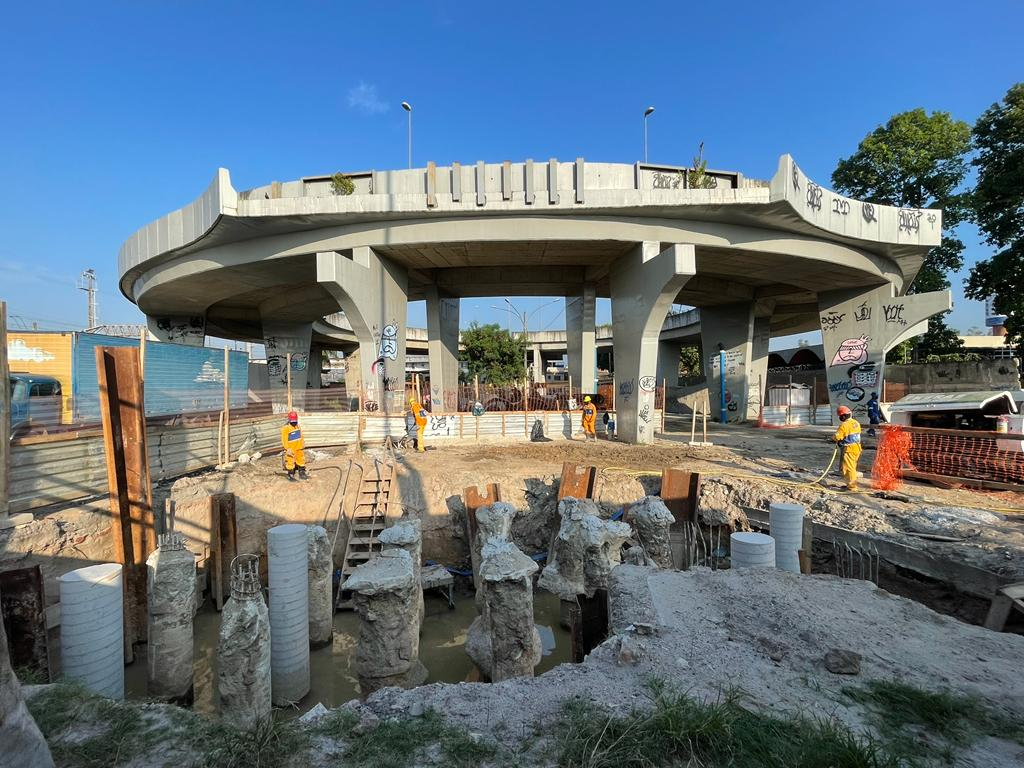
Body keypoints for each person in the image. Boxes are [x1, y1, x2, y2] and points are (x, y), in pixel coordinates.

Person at [831, 405, 862, 491]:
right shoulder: (856, 423)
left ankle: (852, 487)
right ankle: (850, 484)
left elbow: (837, 437)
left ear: (843, 416)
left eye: (840, 416)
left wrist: (834, 438)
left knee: (849, 468)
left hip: (849, 449)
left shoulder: (844, 425)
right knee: (852, 467)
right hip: (857, 447)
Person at [280, 410, 308, 481]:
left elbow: (301, 435)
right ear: (289, 419)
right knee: (290, 461)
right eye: (292, 421)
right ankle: (290, 474)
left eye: (295, 421)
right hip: (291, 449)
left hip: (299, 447)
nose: (294, 422)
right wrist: (287, 448)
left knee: (301, 460)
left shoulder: (297, 426)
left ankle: (302, 472)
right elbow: (284, 439)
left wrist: (303, 442)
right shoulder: (286, 428)